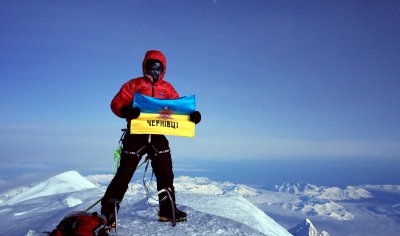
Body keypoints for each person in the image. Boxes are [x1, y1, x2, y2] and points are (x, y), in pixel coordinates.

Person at [101, 50, 201, 226]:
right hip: (135, 134)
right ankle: (109, 212)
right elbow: (116, 103)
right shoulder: (133, 84)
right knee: (124, 173)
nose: (154, 71)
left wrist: (192, 117)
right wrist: (125, 111)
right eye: (151, 67)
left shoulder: (167, 88)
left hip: (157, 135)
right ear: (144, 67)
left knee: (165, 172)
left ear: (163, 70)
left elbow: (178, 108)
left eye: (158, 68)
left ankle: (167, 210)